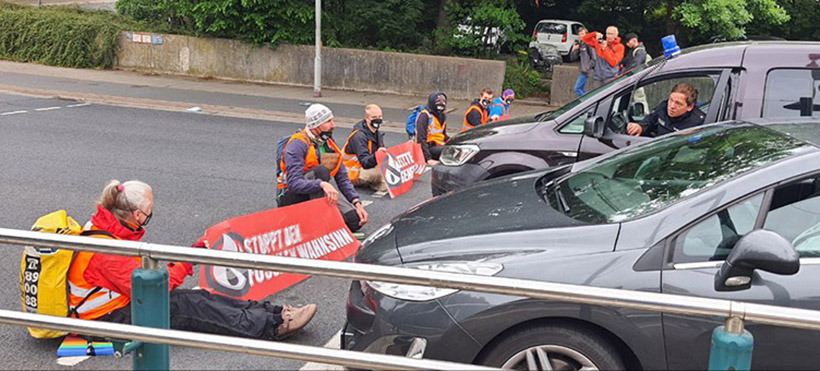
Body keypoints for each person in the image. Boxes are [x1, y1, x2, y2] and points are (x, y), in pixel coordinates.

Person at [68, 180, 317, 340]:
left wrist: (190, 255)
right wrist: (188, 261)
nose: (150, 217)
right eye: (149, 213)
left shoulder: (105, 226)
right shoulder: (106, 249)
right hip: (103, 319)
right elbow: (156, 288)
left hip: (118, 304)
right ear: (135, 214)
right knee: (189, 307)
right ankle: (271, 326)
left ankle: (274, 313)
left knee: (199, 298)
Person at [278, 103, 369, 232]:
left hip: (316, 192)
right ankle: (318, 220)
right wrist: (322, 184)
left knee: (355, 221)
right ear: (315, 125)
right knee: (321, 171)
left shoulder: (328, 144)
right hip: (293, 197)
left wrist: (357, 203)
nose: (333, 125)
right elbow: (294, 184)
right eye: (328, 121)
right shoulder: (298, 144)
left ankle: (319, 218)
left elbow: (342, 177)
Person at [626, 83, 706, 137]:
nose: (672, 106)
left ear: (690, 107)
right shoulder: (664, 107)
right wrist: (640, 127)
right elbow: (651, 119)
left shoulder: (698, 122)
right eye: (671, 100)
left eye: (678, 103)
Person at [341, 104, 388, 192]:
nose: (378, 119)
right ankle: (379, 183)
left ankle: (380, 182)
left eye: (380, 116)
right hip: (351, 172)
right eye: (374, 117)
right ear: (367, 118)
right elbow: (365, 163)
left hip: (363, 167)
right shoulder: (359, 136)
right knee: (384, 171)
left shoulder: (376, 133)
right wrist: (377, 155)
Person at [415, 92, 449, 166]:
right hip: (430, 147)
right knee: (450, 151)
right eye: (438, 101)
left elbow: (443, 135)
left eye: (443, 101)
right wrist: (428, 159)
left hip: (440, 144)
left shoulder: (442, 116)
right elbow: (421, 139)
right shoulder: (425, 116)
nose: (441, 103)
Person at [569, 26, 595, 97]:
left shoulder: (589, 44)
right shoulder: (581, 44)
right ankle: (584, 101)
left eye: (582, 34)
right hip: (583, 70)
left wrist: (588, 67)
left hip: (587, 71)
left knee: (577, 88)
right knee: (581, 89)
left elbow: (594, 58)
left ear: (586, 34)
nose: (581, 36)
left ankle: (585, 102)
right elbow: (573, 58)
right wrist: (574, 50)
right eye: (579, 34)